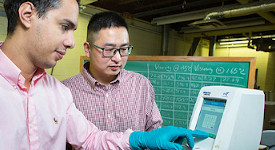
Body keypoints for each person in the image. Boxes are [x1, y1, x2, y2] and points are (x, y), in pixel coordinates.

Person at [0, 0, 209, 149]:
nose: (70, 42)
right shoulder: (69, 88)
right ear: (27, 15)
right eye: (64, 26)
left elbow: (90, 139)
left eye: (124, 49)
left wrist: (139, 139)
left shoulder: (57, 92)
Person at [62, 11, 163, 133]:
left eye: (124, 49)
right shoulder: (65, 91)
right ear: (88, 49)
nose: (118, 58)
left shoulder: (141, 85)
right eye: (109, 50)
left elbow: (154, 132)